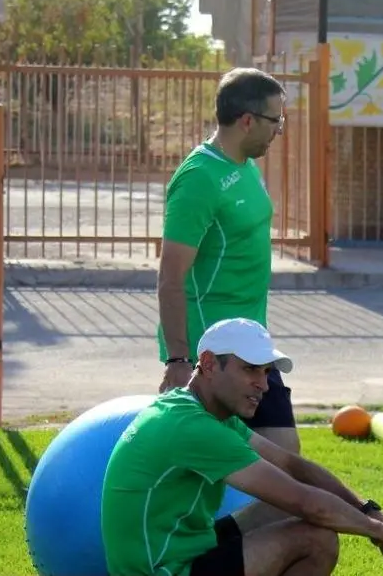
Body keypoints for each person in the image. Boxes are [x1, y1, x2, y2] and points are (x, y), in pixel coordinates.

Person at [102, 317, 383, 576]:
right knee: (317, 539)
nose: (263, 385)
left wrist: (370, 512)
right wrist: (376, 531)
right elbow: (305, 502)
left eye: (266, 372)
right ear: (209, 364)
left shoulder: (201, 411)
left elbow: (293, 466)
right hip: (164, 570)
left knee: (280, 504)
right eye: (250, 369)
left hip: (187, 549)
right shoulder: (191, 427)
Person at [156, 67, 305, 471]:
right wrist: (178, 360)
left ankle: (247, 533)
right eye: (276, 121)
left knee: (283, 462)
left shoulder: (244, 165)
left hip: (251, 341)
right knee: (269, 467)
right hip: (216, 355)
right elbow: (171, 276)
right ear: (246, 121)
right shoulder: (199, 178)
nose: (279, 131)